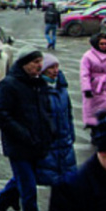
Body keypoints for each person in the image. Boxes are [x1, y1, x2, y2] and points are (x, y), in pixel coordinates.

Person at [0, 50, 51, 211]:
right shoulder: (9, 84)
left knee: (22, 180)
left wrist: (49, 131)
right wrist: (23, 134)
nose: (39, 65)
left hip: (38, 145)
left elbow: (45, 111)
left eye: (40, 61)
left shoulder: (40, 84)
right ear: (24, 64)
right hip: (19, 147)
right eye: (35, 62)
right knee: (29, 192)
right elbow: (0, 114)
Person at [36, 54, 77, 186]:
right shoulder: (38, 90)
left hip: (65, 143)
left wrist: (71, 134)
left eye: (57, 67)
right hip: (49, 144)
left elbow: (68, 114)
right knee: (48, 178)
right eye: (51, 67)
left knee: (68, 181)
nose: (55, 70)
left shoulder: (62, 89)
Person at [79, 33, 106, 129]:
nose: (104, 46)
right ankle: (94, 128)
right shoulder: (88, 56)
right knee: (95, 112)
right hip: (96, 88)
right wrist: (86, 89)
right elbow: (84, 74)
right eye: (101, 44)